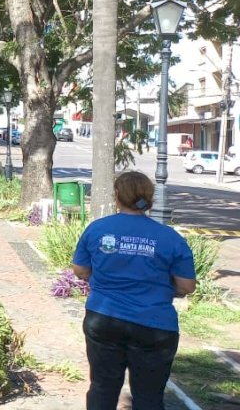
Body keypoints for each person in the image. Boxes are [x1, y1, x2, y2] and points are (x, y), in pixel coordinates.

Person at [71, 171, 196, 409]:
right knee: (148, 397)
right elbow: (186, 285)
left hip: (103, 319)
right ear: (149, 198)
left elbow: (80, 270)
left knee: (102, 387)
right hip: (154, 325)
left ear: (117, 195)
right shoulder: (170, 238)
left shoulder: (98, 229)